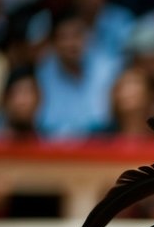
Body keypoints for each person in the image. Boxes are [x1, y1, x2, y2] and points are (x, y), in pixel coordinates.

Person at [34, 11, 120, 139]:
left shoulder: (108, 69)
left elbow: (108, 120)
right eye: (64, 37)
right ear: (53, 43)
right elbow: (44, 124)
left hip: (103, 147)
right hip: (54, 151)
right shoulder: (42, 75)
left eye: (77, 35)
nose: (71, 44)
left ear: (88, 37)